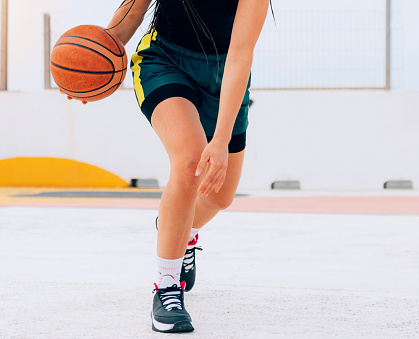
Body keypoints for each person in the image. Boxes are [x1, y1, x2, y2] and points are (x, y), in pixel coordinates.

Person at [66, 0, 271, 333]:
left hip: (224, 74)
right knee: (190, 160)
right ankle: (166, 287)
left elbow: (240, 54)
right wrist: (86, 65)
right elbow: (131, 15)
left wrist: (219, 140)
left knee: (220, 197)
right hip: (164, 60)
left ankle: (180, 230)